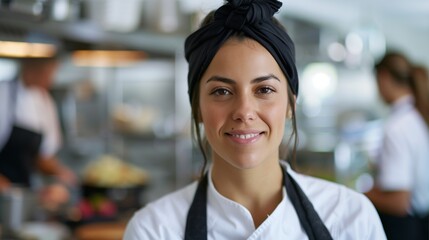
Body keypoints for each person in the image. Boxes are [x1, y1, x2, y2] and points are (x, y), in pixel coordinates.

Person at [124, 0, 386, 239]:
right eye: (222, 91)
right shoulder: (154, 230)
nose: (244, 111)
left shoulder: (350, 218)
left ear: (290, 105)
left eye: (264, 90)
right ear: (197, 109)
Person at [365, 52, 429, 240]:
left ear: (383, 77)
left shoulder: (396, 127)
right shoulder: (417, 116)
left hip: (409, 228)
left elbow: (399, 202)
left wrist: (363, 194)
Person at [0, 56, 76, 211]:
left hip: (22, 194)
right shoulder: (3, 93)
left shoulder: (46, 101)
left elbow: (44, 156)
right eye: (49, 73)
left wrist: (61, 174)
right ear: (31, 69)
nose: (51, 79)